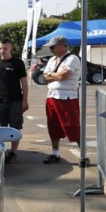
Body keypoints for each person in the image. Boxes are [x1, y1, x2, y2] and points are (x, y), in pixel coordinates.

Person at [40, 35, 81, 164]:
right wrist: (54, 75)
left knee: (72, 126)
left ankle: (83, 155)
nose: (51, 49)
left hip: (67, 98)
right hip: (51, 96)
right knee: (53, 126)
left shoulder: (72, 58)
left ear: (63, 46)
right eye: (50, 47)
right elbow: (43, 78)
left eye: (53, 46)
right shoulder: (52, 60)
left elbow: (64, 76)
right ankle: (55, 154)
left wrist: (51, 74)